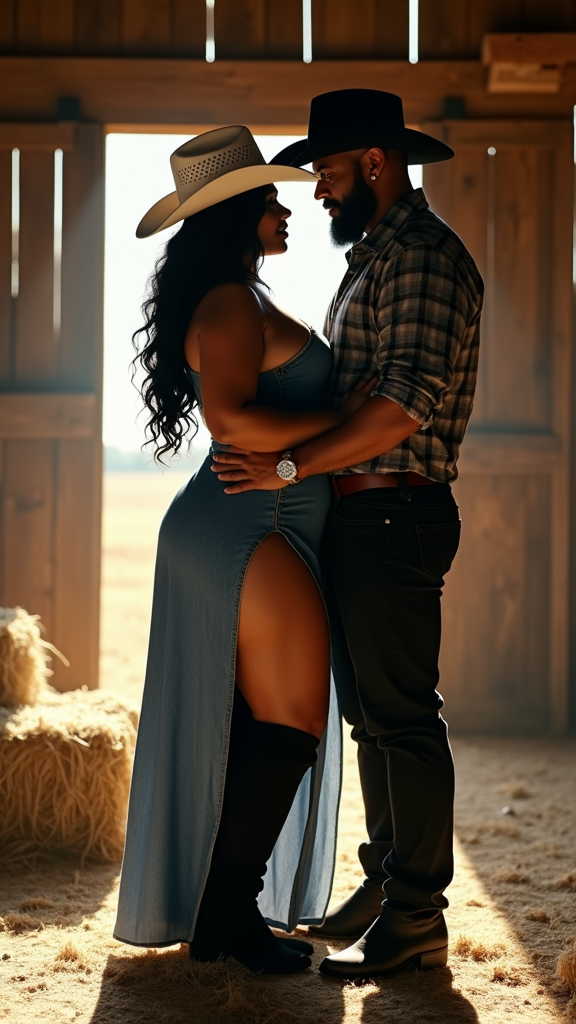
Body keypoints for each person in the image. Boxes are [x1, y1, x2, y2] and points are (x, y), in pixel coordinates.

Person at [211, 90, 484, 979]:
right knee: (371, 720)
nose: (318, 190)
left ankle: (417, 917)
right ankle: (385, 885)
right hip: (366, 511)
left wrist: (290, 468)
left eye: (326, 171)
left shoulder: (424, 257)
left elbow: (402, 407)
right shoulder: (378, 256)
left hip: (395, 509)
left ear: (374, 162)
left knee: (402, 718)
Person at [113, 126, 369, 975]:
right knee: (292, 721)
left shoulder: (240, 297)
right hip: (249, 523)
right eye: (268, 199)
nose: (285, 208)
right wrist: (351, 418)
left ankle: (223, 913)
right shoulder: (228, 302)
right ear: (235, 214)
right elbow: (233, 423)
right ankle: (227, 913)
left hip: (259, 521)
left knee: (266, 721)